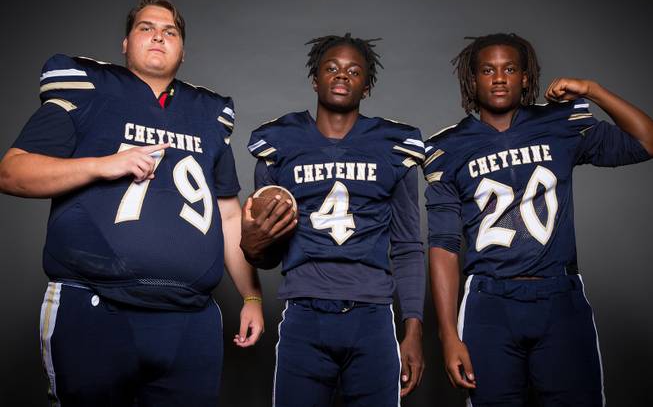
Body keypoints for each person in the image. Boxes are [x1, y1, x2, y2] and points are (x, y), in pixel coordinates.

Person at [0, 0, 264, 406]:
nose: (158, 37)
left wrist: (251, 296)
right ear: (126, 43)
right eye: (146, 28)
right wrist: (101, 165)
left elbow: (229, 216)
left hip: (190, 317)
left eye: (169, 32)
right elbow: (12, 172)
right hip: (96, 306)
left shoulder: (208, 115)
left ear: (182, 48)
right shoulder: (87, 89)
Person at [424, 32, 653, 406]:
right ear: (472, 79)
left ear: (526, 77)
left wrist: (592, 89)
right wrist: (448, 335)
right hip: (489, 302)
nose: (499, 78)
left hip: (559, 298)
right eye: (488, 70)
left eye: (510, 69)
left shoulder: (560, 123)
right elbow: (444, 245)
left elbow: (647, 141)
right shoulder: (447, 149)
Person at [240, 33, 426, 406]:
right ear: (315, 78)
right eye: (332, 68)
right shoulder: (280, 144)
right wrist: (252, 247)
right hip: (304, 313)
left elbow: (407, 246)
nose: (342, 76)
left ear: (367, 86)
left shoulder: (393, 147)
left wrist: (414, 330)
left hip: (372, 315)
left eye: (354, 71)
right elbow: (267, 252)